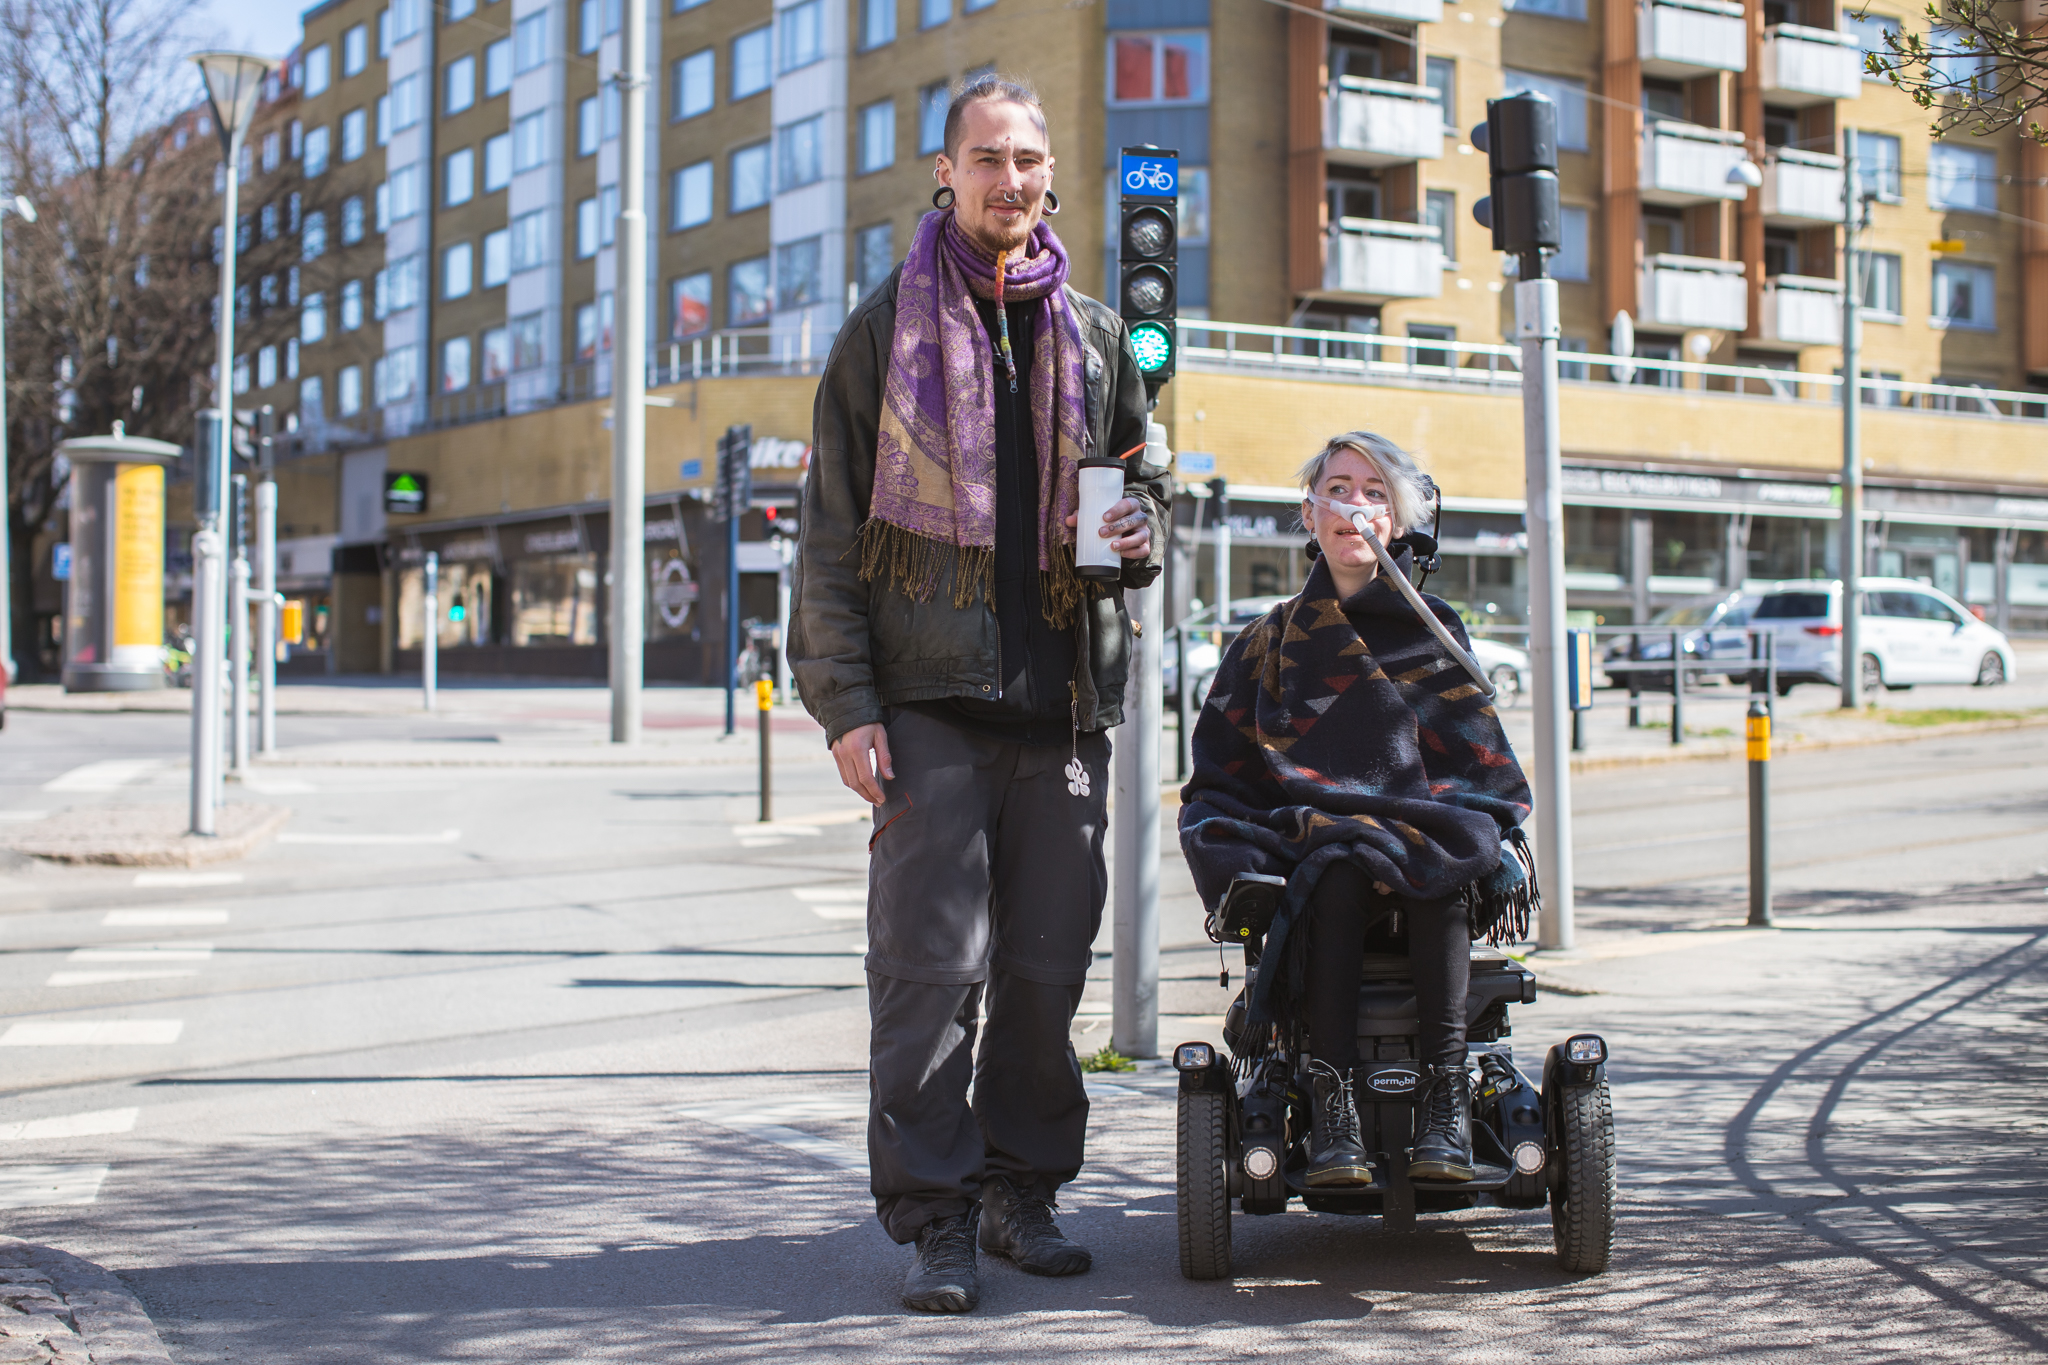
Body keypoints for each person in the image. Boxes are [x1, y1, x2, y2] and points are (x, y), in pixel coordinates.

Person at [789, 75, 1168, 1314]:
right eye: (987, 157)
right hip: (926, 706)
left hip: (1061, 705)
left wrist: (1139, 525)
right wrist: (846, 707)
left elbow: (1141, 505)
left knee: (1047, 976)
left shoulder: (1100, 339)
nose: (1013, 178)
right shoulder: (877, 336)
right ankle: (935, 1219)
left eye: (1030, 158)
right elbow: (829, 545)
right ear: (944, 173)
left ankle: (1019, 1194)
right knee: (928, 976)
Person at [1177, 432, 1534, 1188]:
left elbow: (1480, 764)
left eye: (1375, 492)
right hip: (1314, 844)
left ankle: (1445, 1103)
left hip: (1421, 839)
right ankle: (1330, 1108)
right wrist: (1239, 853)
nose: (1356, 506)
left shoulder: (1434, 631)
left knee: (1436, 861)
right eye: (1339, 489)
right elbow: (1219, 777)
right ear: (1312, 514)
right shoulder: (1266, 640)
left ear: (1399, 520)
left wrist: (1465, 825)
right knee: (1339, 864)